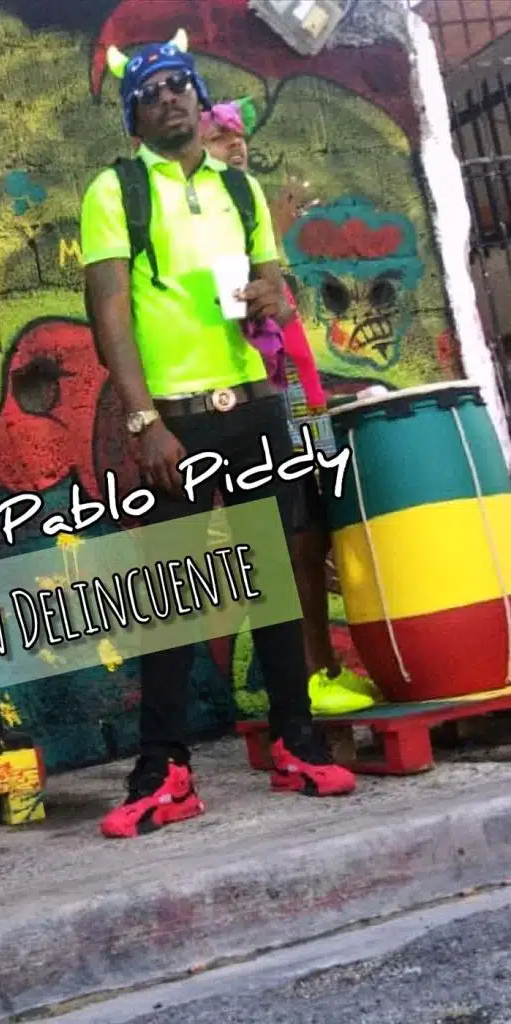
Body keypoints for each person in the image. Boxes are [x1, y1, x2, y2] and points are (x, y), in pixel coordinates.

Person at [81, 35, 358, 839]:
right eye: (151, 91)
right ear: (134, 114)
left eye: (179, 85)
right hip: (174, 420)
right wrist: (145, 421)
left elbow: (273, 281)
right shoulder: (118, 189)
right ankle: (162, 770)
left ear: (201, 100)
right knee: (169, 598)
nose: (168, 97)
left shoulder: (240, 187)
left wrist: (276, 298)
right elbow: (109, 313)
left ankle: (296, 742)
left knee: (273, 580)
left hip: (253, 407)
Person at [200, 98, 379, 716]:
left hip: (303, 405)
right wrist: (269, 241)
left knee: (317, 538)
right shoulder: (210, 221)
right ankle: (306, 679)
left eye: (239, 135)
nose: (236, 144)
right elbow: (244, 311)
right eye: (221, 137)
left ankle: (325, 668)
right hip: (267, 404)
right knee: (294, 542)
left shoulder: (244, 213)